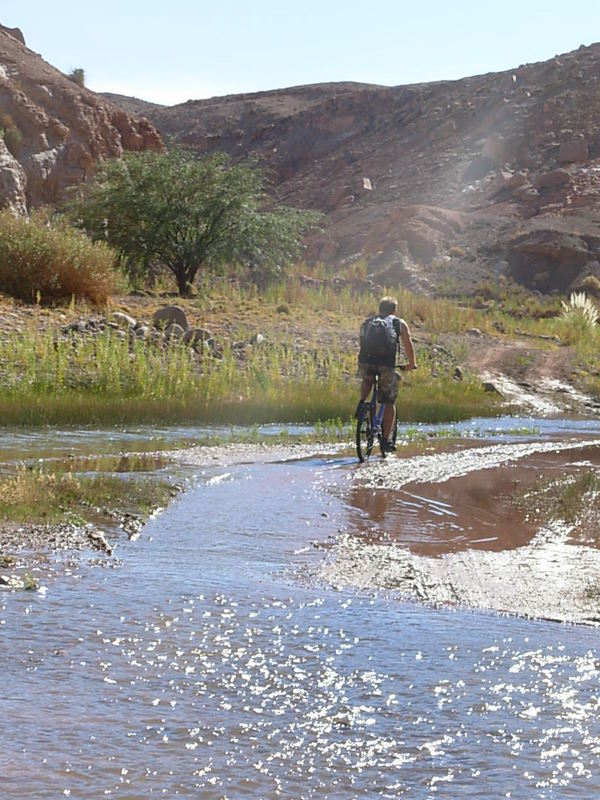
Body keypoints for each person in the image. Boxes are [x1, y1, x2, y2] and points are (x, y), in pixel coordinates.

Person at [356, 296, 417, 452]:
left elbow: (362, 343)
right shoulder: (398, 323)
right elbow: (408, 344)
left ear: (379, 308)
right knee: (389, 402)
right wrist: (411, 364)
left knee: (367, 380)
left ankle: (362, 403)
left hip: (365, 362)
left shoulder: (367, 322)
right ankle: (385, 441)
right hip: (386, 365)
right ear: (394, 310)